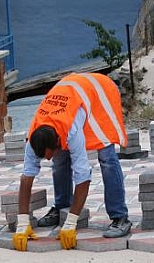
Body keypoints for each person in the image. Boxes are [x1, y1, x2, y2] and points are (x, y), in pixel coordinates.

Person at [13, 72, 132, 251]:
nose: (47, 159)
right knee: (60, 161)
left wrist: (71, 222)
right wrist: (22, 222)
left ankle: (120, 217)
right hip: (73, 96)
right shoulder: (34, 137)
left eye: (48, 154)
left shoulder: (72, 132)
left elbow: (83, 177)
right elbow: (26, 178)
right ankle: (62, 206)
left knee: (106, 157)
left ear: (58, 142)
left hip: (100, 92)